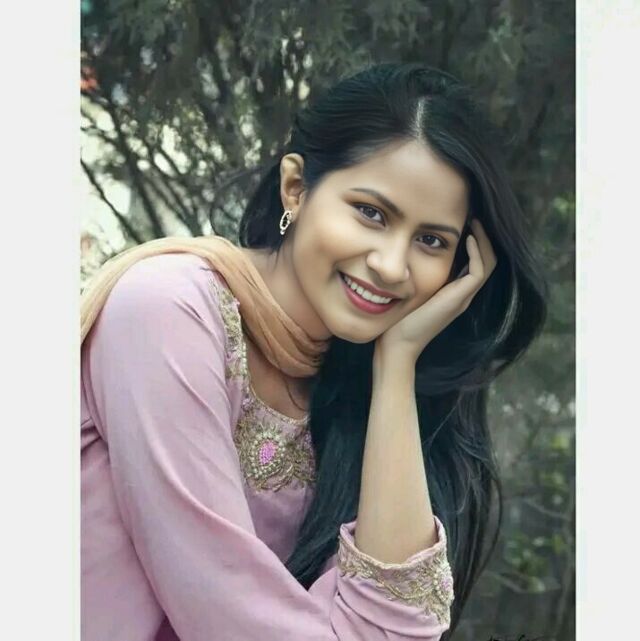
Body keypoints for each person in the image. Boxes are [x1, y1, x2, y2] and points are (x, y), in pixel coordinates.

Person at [80, 62, 547, 641]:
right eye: (371, 213)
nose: (391, 265)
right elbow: (228, 621)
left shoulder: (352, 382)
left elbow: (395, 626)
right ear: (296, 188)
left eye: (431, 241)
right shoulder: (169, 311)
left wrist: (397, 365)